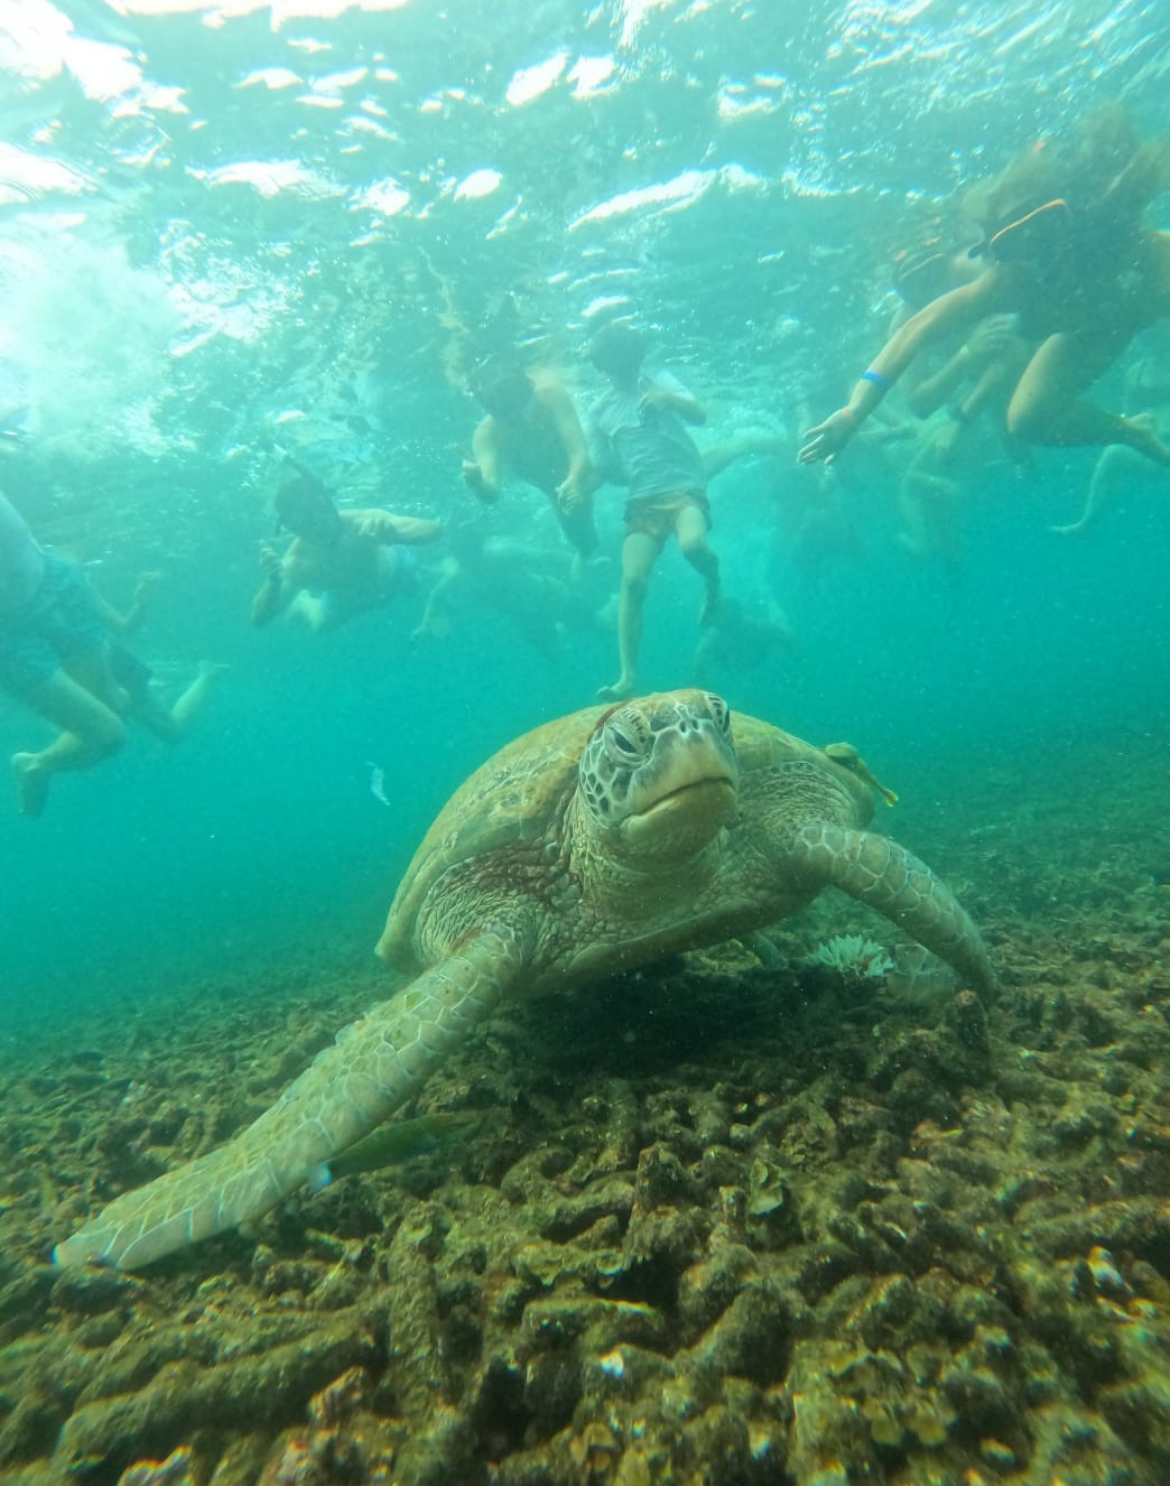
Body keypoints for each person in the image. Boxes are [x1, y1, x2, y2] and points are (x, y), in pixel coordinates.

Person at [800, 109, 1170, 472]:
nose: (1033, 249)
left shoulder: (1115, 228)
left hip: (1151, 288)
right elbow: (916, 329)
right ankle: (1133, 432)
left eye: (1039, 229)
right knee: (1029, 419)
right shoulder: (1011, 280)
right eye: (1015, 242)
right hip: (1101, 332)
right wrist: (853, 413)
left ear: (1065, 212)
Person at [0, 497, 223, 817]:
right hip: (45, 646)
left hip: (105, 655)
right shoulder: (55, 575)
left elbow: (124, 627)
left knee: (166, 731)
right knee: (111, 730)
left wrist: (141, 600)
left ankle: (203, 675)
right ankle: (38, 764)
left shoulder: (69, 576)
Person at [586, 322, 721, 702]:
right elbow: (602, 468)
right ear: (604, 365)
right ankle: (628, 677)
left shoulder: (659, 380)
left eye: (626, 357)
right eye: (612, 361)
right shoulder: (599, 410)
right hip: (642, 500)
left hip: (684, 489)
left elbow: (700, 415)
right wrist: (578, 489)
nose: (621, 367)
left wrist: (669, 400)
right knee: (632, 583)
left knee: (694, 546)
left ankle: (713, 584)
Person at [252, 473, 443, 631]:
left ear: (329, 501)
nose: (321, 523)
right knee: (320, 628)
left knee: (415, 589)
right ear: (294, 529)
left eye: (322, 509)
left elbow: (433, 529)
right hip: (347, 602)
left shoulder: (362, 522)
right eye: (307, 520)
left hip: (397, 571)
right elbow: (258, 618)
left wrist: (394, 534)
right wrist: (273, 584)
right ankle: (305, 603)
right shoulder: (297, 562)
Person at [462, 357, 598, 562]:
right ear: (492, 412)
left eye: (524, 408)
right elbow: (492, 494)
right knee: (580, 536)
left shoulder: (551, 395)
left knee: (599, 486)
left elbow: (579, 453)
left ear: (529, 392)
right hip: (552, 486)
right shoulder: (487, 435)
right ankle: (585, 556)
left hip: (587, 467)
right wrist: (477, 484)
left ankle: (588, 552)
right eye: (511, 419)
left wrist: (575, 479)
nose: (523, 420)